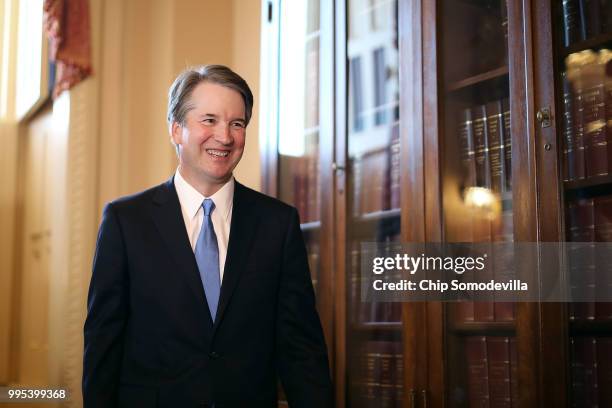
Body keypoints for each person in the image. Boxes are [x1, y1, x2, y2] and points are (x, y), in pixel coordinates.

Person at [83, 65, 333, 408]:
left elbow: (301, 349)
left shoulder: (278, 224)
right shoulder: (126, 222)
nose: (225, 137)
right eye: (209, 120)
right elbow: (103, 343)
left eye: (237, 123)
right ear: (176, 130)